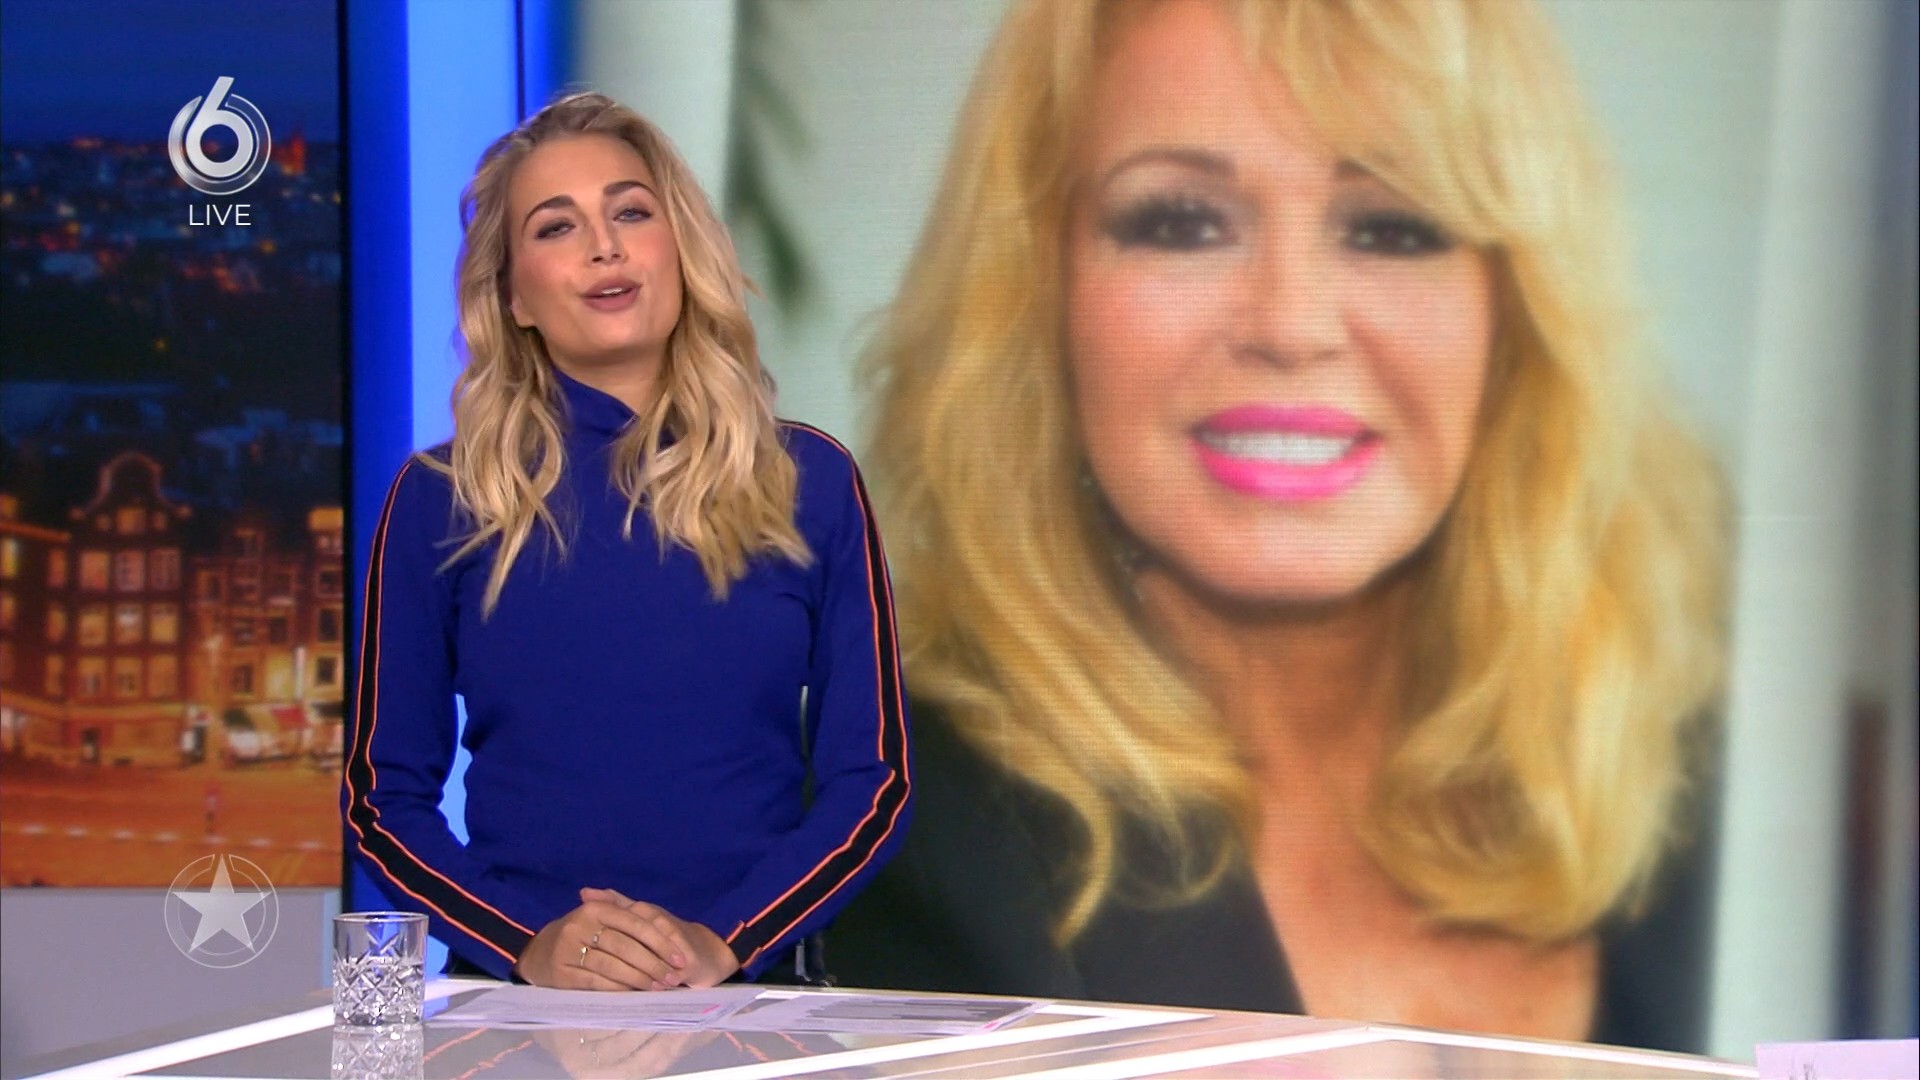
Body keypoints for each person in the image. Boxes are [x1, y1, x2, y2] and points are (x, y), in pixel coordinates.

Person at [829, 0, 1725, 1052]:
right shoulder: (892, 836)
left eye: (1392, 227)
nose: (1291, 325)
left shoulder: (1669, 762)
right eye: (1181, 222)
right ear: (1039, 295)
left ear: (1517, 309)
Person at [343, 92, 910, 990]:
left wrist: (724, 943)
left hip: (750, 1001)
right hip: (518, 1005)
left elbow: (874, 783)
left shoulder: (810, 480)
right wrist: (529, 947)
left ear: (681, 248)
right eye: (556, 227)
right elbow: (382, 802)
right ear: (513, 296)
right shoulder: (440, 498)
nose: (604, 246)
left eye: (632, 212)